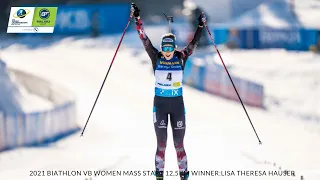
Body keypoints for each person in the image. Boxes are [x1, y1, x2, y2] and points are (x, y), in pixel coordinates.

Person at [131, 3, 206, 180]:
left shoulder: (181, 57)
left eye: (169, 48)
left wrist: (201, 26)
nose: (166, 52)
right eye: (164, 48)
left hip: (177, 105)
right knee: (161, 145)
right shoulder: (155, 57)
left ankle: (184, 176)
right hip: (160, 105)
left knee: (179, 144)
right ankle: (159, 177)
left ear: (174, 47)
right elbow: (144, 39)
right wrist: (137, 19)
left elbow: (194, 43)